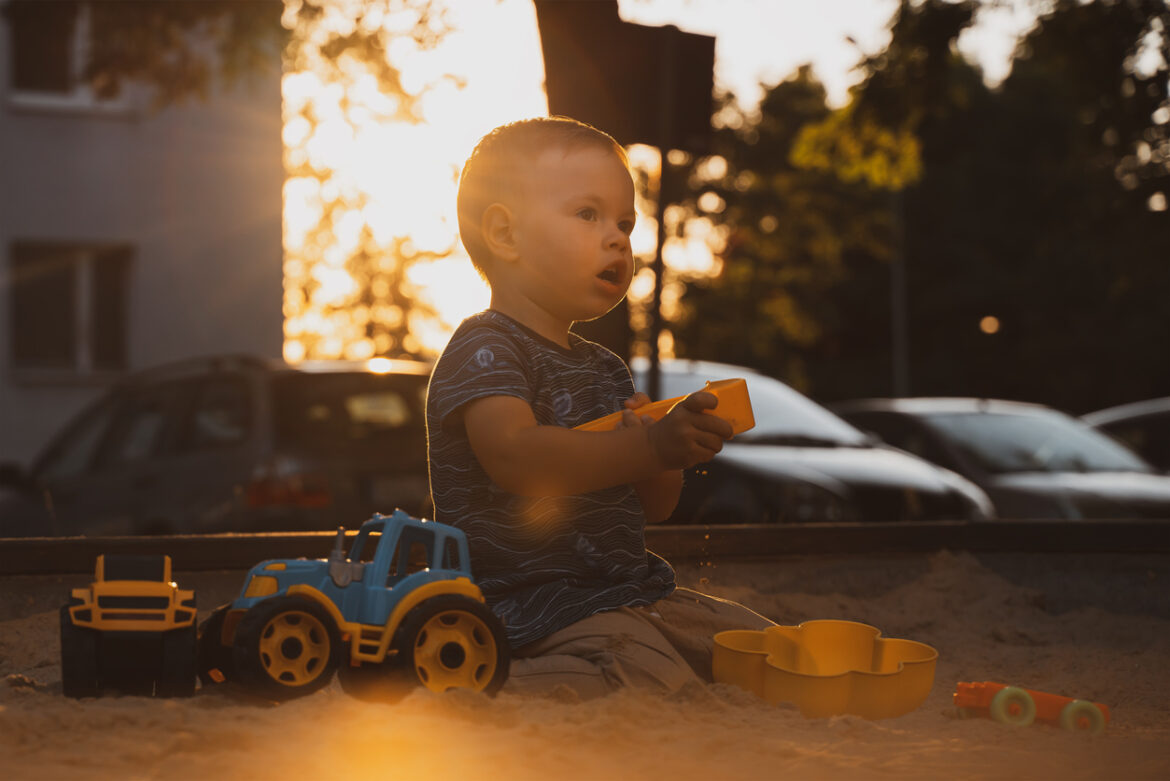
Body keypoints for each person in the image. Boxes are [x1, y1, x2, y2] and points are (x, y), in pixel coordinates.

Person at [426, 116, 773, 698]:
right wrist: (645, 444)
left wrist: (668, 449)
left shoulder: (606, 367)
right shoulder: (485, 345)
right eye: (588, 215)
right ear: (505, 235)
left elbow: (655, 506)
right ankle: (479, 682)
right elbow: (516, 459)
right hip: (522, 602)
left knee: (762, 647)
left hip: (624, 592)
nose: (617, 238)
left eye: (624, 223)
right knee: (647, 678)